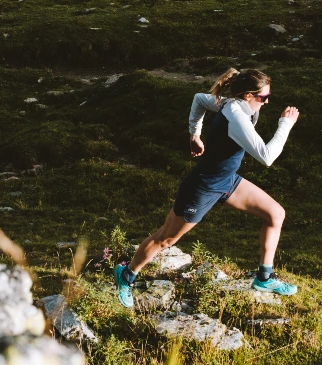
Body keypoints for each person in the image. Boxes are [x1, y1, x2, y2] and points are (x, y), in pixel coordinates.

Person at [114, 67, 300, 308]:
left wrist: (195, 134)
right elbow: (266, 156)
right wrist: (285, 124)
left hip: (227, 180)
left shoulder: (231, 103)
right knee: (166, 238)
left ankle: (263, 278)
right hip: (202, 187)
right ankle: (126, 275)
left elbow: (199, 100)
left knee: (276, 214)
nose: (267, 102)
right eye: (263, 97)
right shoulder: (236, 115)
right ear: (248, 96)